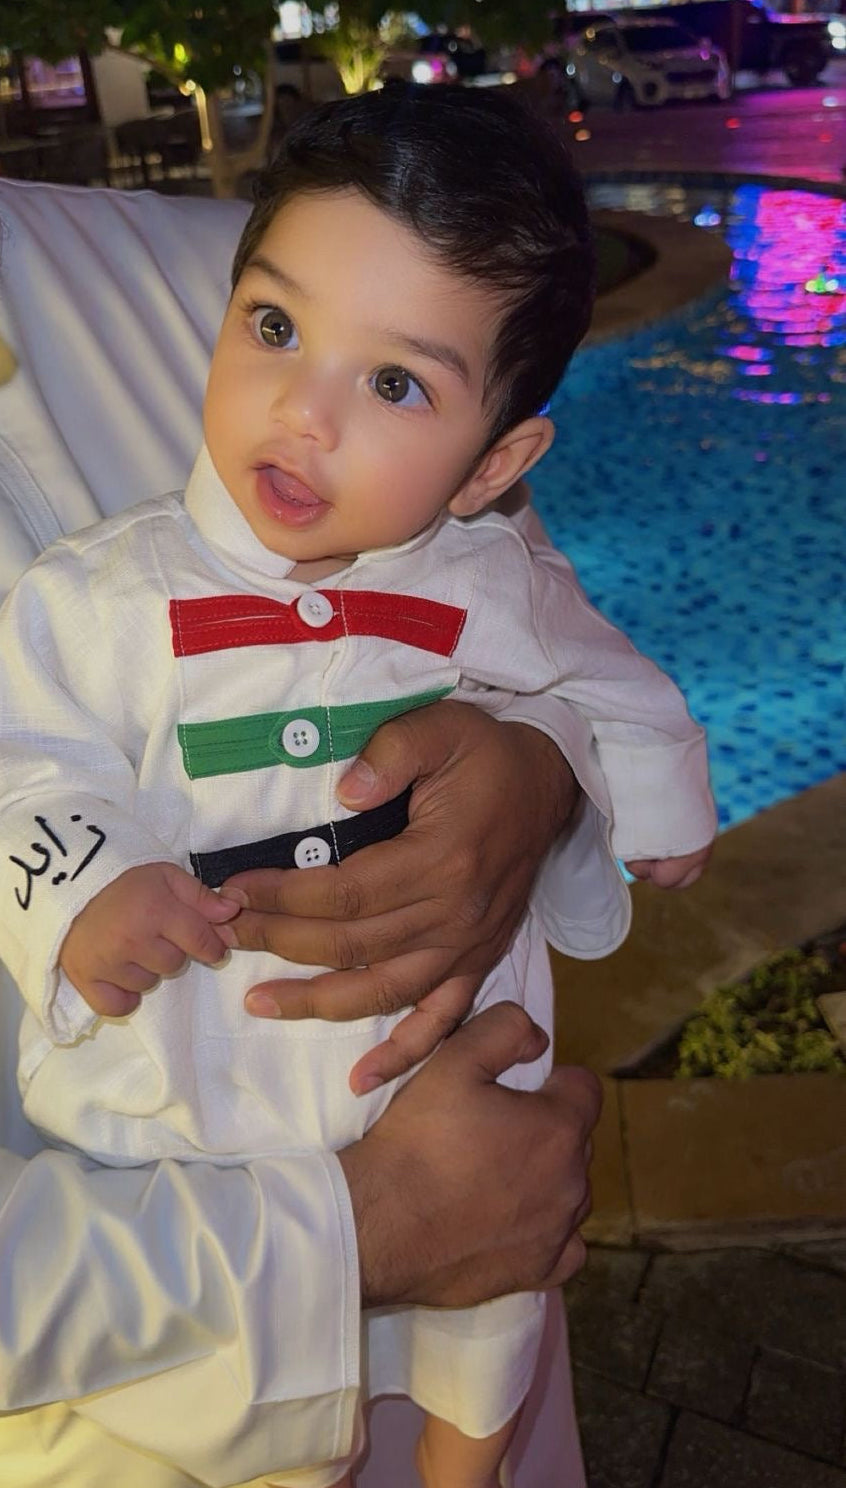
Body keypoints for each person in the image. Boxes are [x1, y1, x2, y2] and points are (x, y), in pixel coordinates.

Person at [0, 88, 713, 1487]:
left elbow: (599, 675)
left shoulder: (479, 564)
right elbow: (26, 754)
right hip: (204, 1077)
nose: (302, 412)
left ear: (493, 464)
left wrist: (609, 788)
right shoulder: (96, 594)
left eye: (392, 386)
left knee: (488, 1324)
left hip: (428, 1065)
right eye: (271, 331)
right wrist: (84, 890)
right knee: (230, 1430)